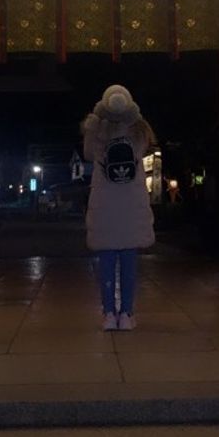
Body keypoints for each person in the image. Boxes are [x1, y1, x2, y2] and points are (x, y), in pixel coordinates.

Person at [81, 85, 157, 331]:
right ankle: (126, 314)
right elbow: (144, 149)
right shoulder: (138, 129)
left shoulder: (97, 131)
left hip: (105, 203)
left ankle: (108, 315)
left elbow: (88, 154)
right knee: (128, 262)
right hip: (131, 203)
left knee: (106, 261)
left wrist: (94, 123)